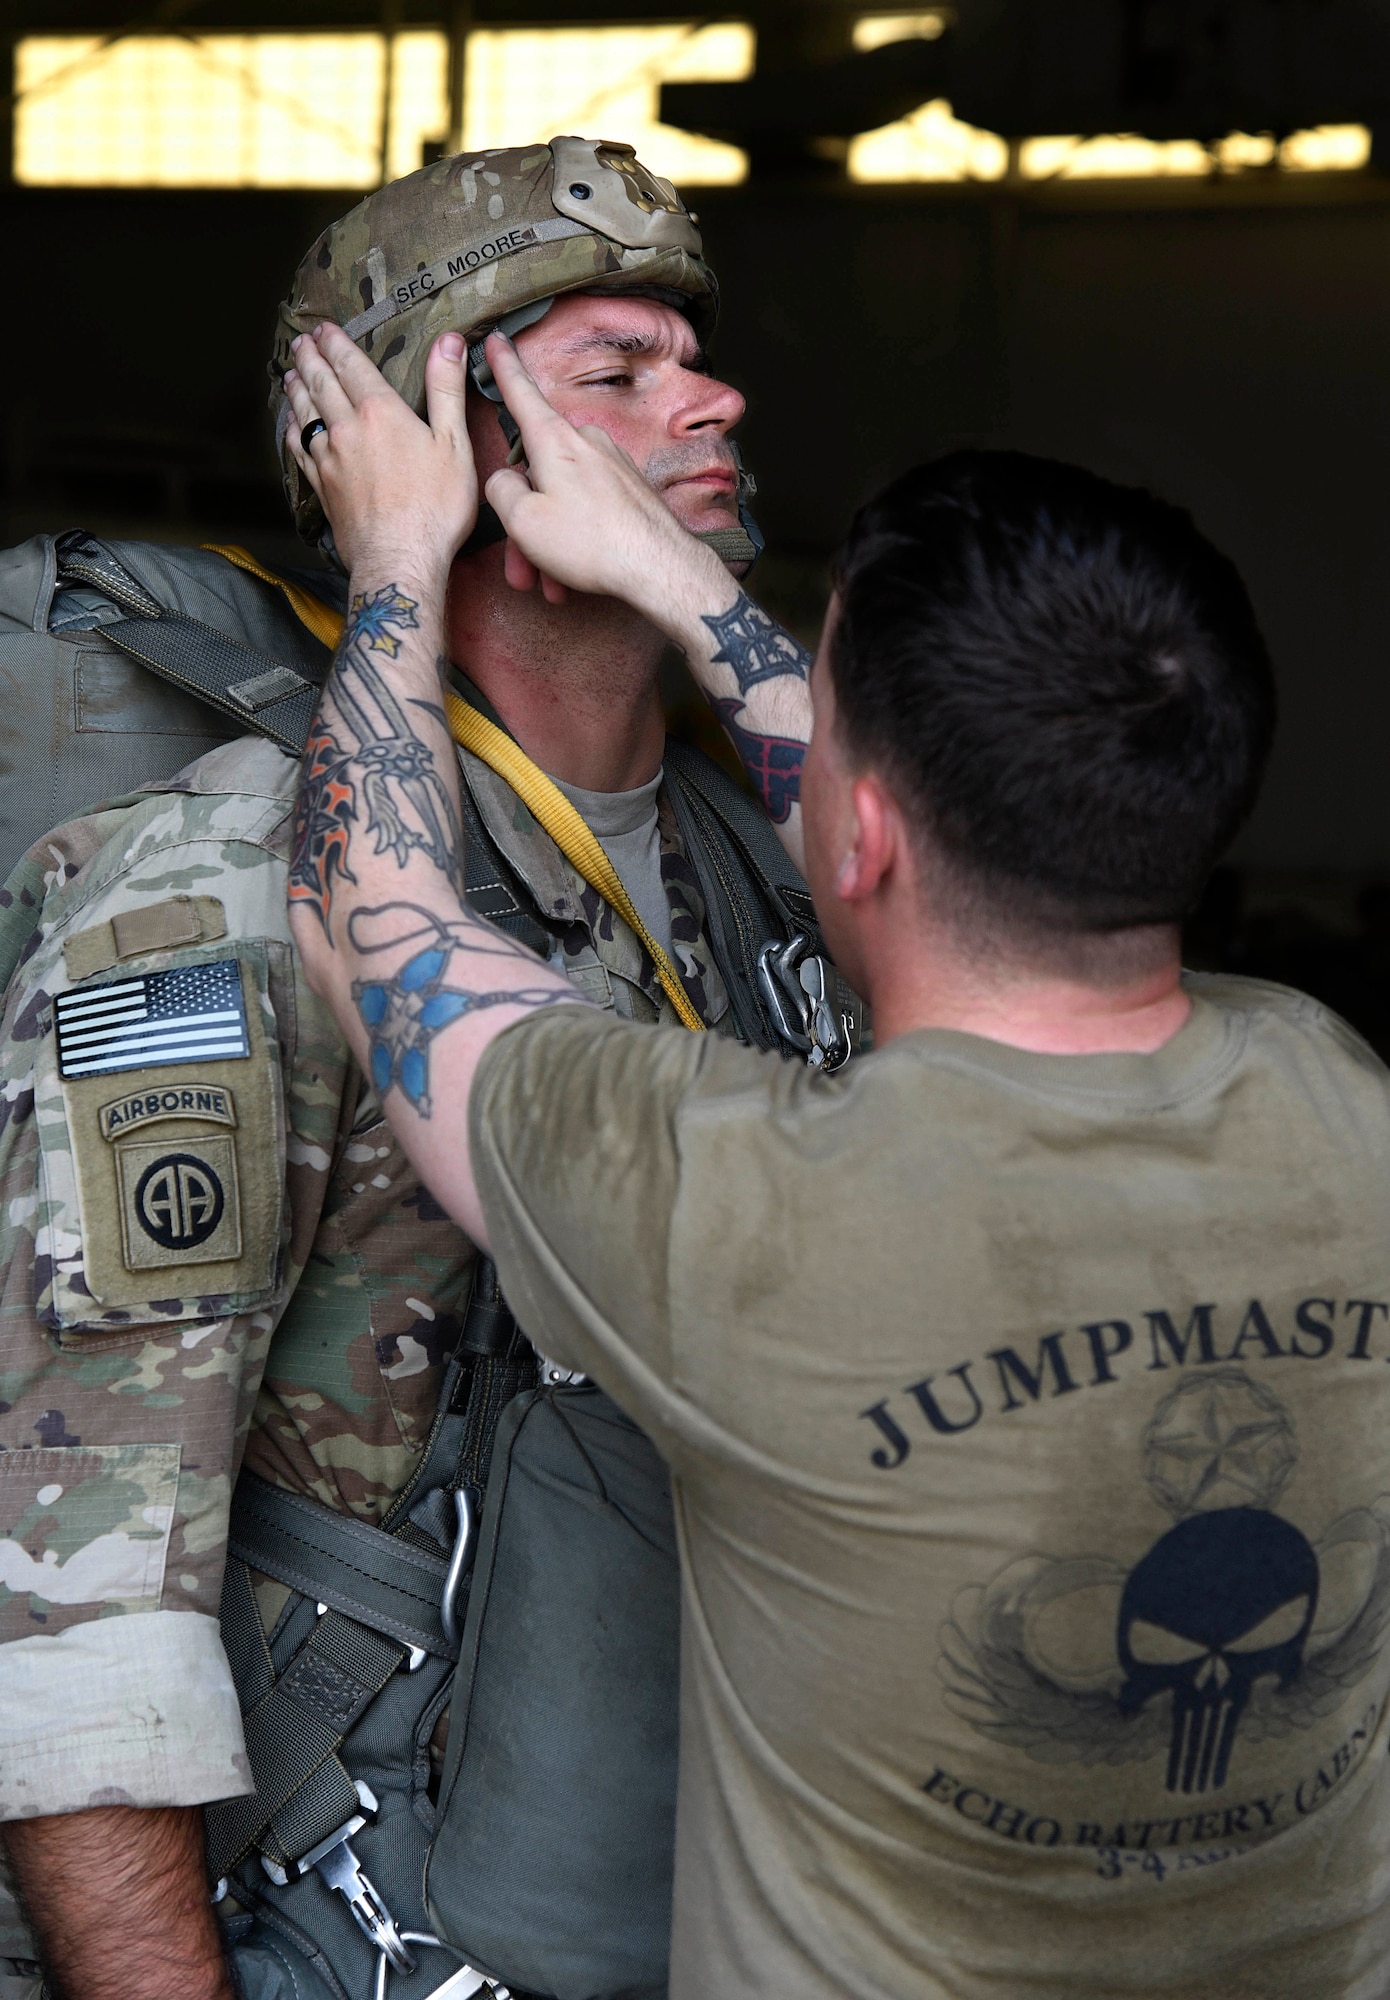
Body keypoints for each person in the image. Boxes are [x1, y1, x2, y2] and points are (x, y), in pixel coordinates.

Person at [283, 314, 1390, 2000]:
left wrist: (391, 560)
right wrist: (692, 586)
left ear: (852, 828)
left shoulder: (747, 1212)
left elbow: (370, 915)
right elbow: (936, 816)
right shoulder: (1334, 1095)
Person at [0, 139, 841, 2000]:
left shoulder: (776, 861)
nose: (714, 396)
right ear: (437, 435)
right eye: (615, 371)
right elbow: (70, 1578)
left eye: (692, 355)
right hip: (363, 1914)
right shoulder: (223, 885)